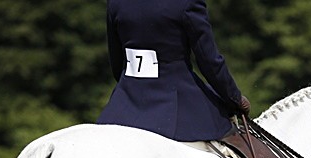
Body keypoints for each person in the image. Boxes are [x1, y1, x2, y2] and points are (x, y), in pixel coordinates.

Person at [98, 0, 251, 142]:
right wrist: (234, 98)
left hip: (123, 106)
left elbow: (117, 62)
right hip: (178, 108)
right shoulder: (186, 2)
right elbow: (209, 61)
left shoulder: (116, 2)